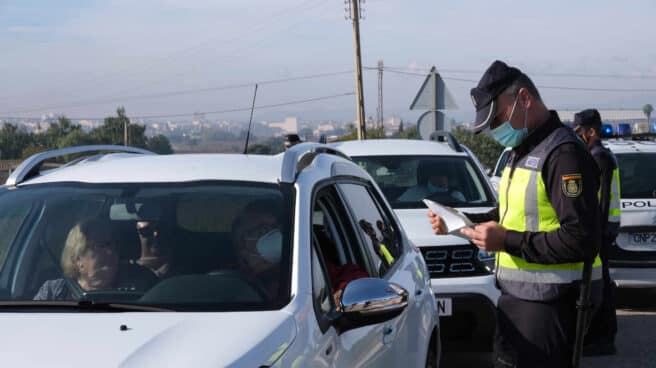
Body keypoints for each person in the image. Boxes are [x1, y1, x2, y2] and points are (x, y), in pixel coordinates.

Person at [428, 60, 603, 367]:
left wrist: (506, 241)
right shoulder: (522, 152)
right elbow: (511, 214)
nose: (495, 129)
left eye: (497, 117)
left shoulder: (562, 154)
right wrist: (460, 222)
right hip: (519, 300)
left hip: (550, 304)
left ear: (524, 98)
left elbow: (581, 238)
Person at [573, 108, 621, 356]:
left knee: (600, 285)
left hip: (602, 229)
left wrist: (594, 230)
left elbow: (600, 201)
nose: (577, 135)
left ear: (591, 131)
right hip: (605, 227)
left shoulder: (599, 156)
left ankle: (603, 338)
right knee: (601, 281)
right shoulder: (600, 154)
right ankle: (603, 337)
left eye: (580, 131)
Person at [35, 219, 120, 300]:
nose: (110, 251)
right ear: (78, 259)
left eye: (111, 245)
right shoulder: (53, 292)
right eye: (100, 246)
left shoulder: (127, 294)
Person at [230, 201, 284, 300]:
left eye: (275, 227)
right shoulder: (234, 290)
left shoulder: (297, 276)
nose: (275, 235)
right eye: (262, 229)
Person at [397, 161, 466, 203]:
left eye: (443, 174)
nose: (440, 177)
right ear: (429, 176)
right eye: (436, 173)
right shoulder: (414, 193)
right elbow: (396, 208)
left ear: (448, 176)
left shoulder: (457, 195)